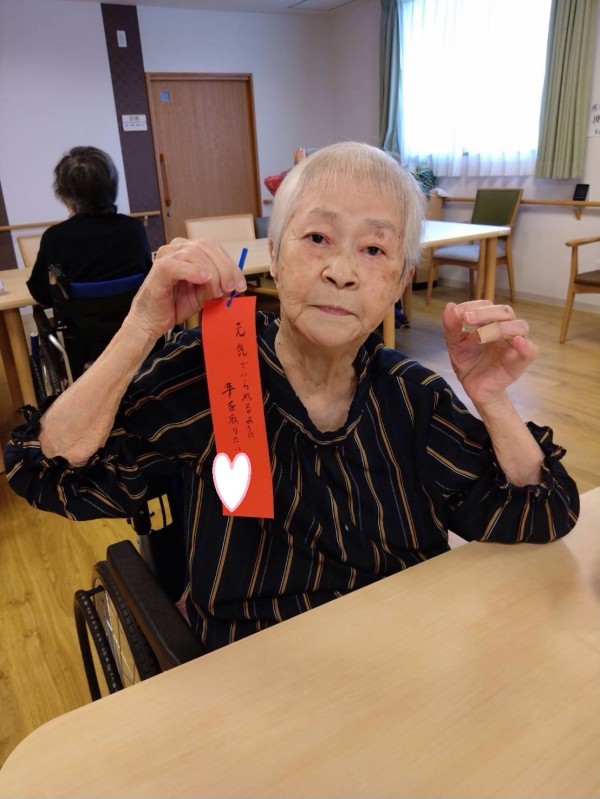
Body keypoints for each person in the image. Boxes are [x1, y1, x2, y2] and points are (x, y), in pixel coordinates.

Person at [5, 142, 579, 653]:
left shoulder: (413, 396)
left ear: (402, 282)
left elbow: (543, 510)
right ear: (274, 256)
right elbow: (52, 473)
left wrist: (492, 401)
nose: (342, 271)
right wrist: (139, 327)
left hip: (401, 649)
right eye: (318, 238)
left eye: (374, 249)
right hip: (256, 663)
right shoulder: (210, 370)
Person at [26, 146, 152, 307]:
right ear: (112, 186)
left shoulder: (56, 237)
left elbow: (42, 293)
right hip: (136, 320)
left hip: (79, 323)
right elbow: (148, 279)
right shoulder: (134, 229)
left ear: (66, 196)